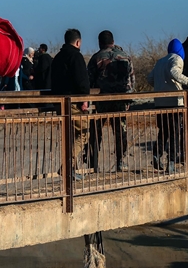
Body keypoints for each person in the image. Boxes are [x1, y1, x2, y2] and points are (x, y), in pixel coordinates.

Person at [86, 30, 135, 173]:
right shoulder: (126, 57)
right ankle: (121, 161)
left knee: (96, 131)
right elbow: (132, 81)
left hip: (101, 101)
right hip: (120, 100)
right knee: (121, 132)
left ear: (100, 42)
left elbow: (89, 81)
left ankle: (93, 164)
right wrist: (128, 100)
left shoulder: (96, 57)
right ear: (113, 41)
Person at [147, 38, 188, 173]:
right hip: (175, 103)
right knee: (175, 133)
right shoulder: (177, 59)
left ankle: (157, 154)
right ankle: (171, 162)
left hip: (160, 103)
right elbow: (174, 72)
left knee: (163, 131)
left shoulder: (160, 62)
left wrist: (160, 87)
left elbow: (150, 78)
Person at [50, 28, 90, 180]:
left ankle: (71, 168)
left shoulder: (58, 58)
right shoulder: (76, 57)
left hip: (59, 102)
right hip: (74, 103)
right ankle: (68, 166)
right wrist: (84, 99)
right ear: (78, 42)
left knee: (70, 136)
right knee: (84, 134)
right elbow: (82, 81)